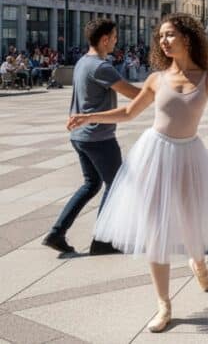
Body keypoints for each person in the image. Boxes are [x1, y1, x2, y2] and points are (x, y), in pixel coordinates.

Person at [65, 14, 208, 333]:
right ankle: (163, 304)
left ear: (187, 38)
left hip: (189, 155)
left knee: (192, 221)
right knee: (155, 229)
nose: (163, 41)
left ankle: (199, 261)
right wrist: (87, 116)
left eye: (170, 35)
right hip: (154, 153)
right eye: (161, 36)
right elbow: (127, 112)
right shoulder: (156, 78)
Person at [42, 19, 140, 255]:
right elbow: (134, 94)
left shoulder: (82, 62)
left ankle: (57, 232)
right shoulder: (101, 66)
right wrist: (164, 88)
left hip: (80, 135)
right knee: (116, 185)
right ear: (104, 39)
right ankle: (102, 240)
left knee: (91, 184)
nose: (116, 40)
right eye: (114, 36)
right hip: (98, 137)